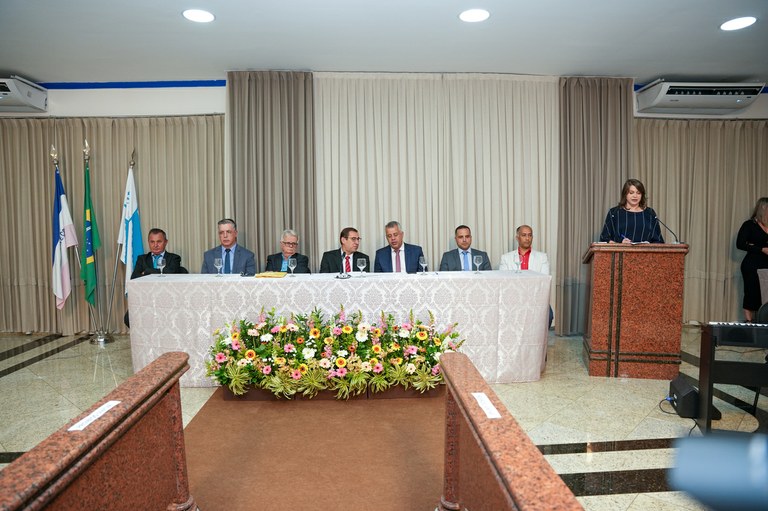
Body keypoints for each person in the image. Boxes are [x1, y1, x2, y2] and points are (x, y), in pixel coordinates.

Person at [125, 228, 187, 327]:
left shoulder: (174, 258)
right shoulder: (142, 259)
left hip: (167, 299)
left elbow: (170, 273)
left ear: (165, 242)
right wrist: (160, 271)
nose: (155, 245)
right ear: (148, 242)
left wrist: (147, 271)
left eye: (159, 241)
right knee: (128, 319)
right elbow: (135, 278)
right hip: (146, 300)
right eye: (152, 242)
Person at [500, 224, 553, 327]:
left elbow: (544, 281)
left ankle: (540, 337)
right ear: (517, 237)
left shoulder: (542, 257)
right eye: (524, 235)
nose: (527, 238)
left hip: (536, 299)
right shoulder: (506, 258)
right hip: (514, 300)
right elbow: (504, 281)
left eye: (530, 235)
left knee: (549, 315)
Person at [599, 179, 664, 243]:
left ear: (642, 195)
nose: (635, 196)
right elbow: (604, 239)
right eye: (631, 193)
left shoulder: (649, 213)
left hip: (645, 250)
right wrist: (620, 242)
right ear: (625, 194)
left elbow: (658, 240)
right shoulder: (614, 212)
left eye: (638, 193)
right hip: (621, 250)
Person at [736, 197, 768, 322]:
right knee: (751, 292)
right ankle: (749, 322)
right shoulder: (749, 225)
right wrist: (761, 249)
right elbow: (740, 244)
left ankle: (763, 321)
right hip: (752, 265)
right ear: (763, 209)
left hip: (766, 265)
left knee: (764, 294)